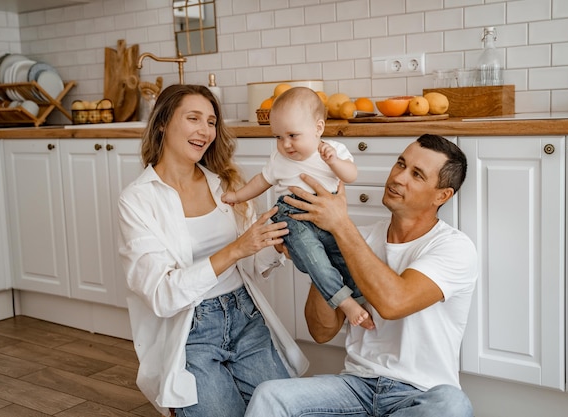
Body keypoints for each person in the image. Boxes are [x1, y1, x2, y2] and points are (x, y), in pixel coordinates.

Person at [245, 134, 479, 417]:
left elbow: (393, 303)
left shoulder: (454, 247)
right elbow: (321, 331)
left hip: (421, 394)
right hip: (355, 388)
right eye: (400, 164)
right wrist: (318, 255)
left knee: (453, 406)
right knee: (271, 396)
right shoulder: (360, 238)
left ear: (442, 195)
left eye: (416, 175)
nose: (398, 178)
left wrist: (340, 226)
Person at [117, 84, 309, 417]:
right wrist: (236, 248)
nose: (205, 131)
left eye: (211, 122)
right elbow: (162, 295)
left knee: (283, 410)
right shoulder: (137, 200)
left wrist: (275, 243)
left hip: (245, 317)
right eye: (194, 118)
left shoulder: (225, 184)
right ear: (162, 122)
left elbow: (252, 263)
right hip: (191, 331)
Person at [222, 86, 373, 329]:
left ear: (318, 128)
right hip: (293, 216)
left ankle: (359, 298)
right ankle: (344, 301)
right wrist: (238, 196)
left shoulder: (332, 151)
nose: (286, 144)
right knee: (314, 259)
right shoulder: (279, 159)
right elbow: (261, 181)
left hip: (330, 215)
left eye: (293, 135)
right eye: (278, 137)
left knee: (343, 257)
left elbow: (351, 175)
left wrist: (333, 161)